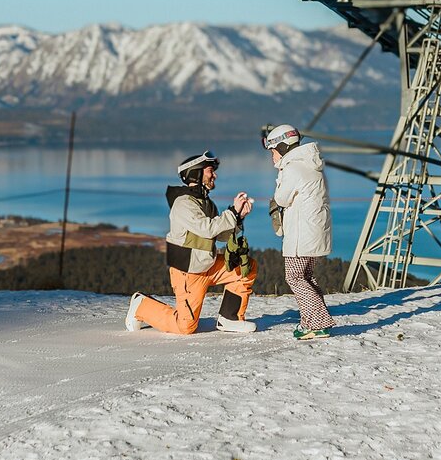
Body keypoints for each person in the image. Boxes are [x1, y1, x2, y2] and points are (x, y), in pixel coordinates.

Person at [125, 151, 258, 334]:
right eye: (211, 170)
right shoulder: (183, 204)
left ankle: (230, 318)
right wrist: (233, 213)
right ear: (196, 173)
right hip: (188, 272)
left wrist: (239, 218)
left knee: (246, 267)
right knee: (185, 326)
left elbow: (220, 235)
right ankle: (141, 305)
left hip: (208, 265)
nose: (215, 175)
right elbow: (207, 228)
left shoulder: (206, 203)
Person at [265, 124, 335, 340]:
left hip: (301, 236)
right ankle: (309, 323)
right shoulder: (311, 165)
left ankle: (319, 322)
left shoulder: (293, 168)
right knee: (306, 276)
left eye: (273, 152)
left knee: (294, 277)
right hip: (314, 233)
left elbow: (282, 198)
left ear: (283, 148)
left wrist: (280, 176)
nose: (273, 157)